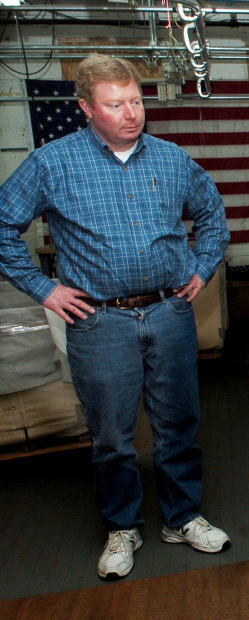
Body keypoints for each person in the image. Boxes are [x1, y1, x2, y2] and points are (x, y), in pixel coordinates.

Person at [0, 54, 231, 580]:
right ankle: (122, 526)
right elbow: (2, 225)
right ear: (85, 107)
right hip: (100, 322)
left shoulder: (171, 159)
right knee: (111, 435)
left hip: (169, 312)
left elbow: (213, 215)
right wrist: (43, 288)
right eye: (115, 104)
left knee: (178, 425)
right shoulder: (52, 163)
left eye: (136, 100)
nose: (131, 113)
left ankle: (183, 517)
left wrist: (201, 267)